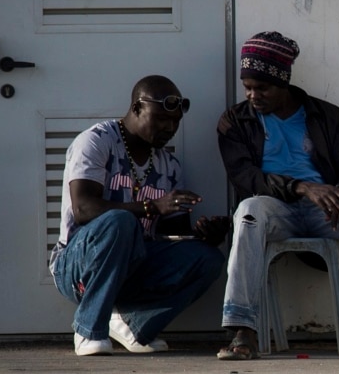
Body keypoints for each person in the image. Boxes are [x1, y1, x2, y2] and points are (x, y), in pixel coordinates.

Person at [215, 31, 339, 360]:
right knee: (248, 209)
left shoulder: (326, 116)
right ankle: (242, 331)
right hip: (274, 210)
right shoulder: (235, 121)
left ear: (283, 82)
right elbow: (245, 178)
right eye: (247, 87)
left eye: (262, 88)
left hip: (328, 213)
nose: (253, 95)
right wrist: (301, 187)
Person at [49, 75, 230, 356]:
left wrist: (204, 235)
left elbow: (171, 236)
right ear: (136, 108)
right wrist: (152, 206)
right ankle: (88, 329)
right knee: (120, 221)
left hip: (134, 266)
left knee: (207, 259)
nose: (169, 128)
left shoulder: (169, 165)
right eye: (160, 119)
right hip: (77, 265)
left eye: (175, 122)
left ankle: (131, 323)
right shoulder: (96, 141)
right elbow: (83, 209)